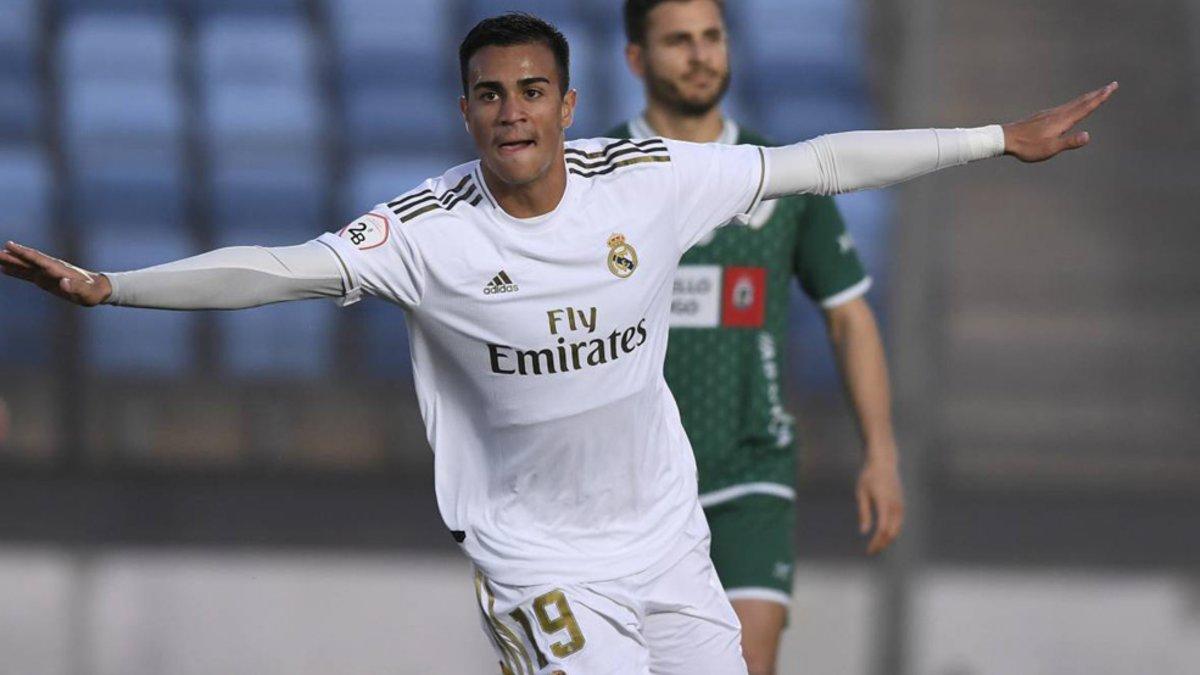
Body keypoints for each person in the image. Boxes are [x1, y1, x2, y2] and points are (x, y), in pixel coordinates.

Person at [0, 12, 1113, 675]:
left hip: (669, 542)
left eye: (533, 91)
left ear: (571, 103)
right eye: (491, 97)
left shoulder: (648, 186)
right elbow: (279, 270)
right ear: (466, 111)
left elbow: (819, 162)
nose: (514, 113)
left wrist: (996, 139)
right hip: (537, 556)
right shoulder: (423, 232)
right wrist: (111, 288)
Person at [609, 1, 902, 670]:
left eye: (712, 37)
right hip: (626, 484)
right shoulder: (597, 177)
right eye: (678, 41)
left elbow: (849, 314)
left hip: (748, 473)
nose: (701, 54)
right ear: (635, 59)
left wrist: (881, 452)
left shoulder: (783, 174)